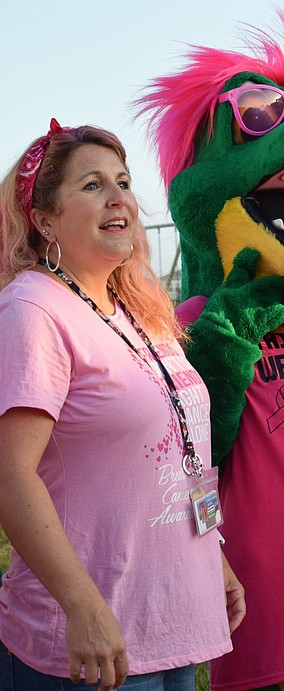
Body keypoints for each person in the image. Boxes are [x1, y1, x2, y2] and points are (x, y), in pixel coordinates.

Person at [0, 120, 245, 691]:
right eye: (91, 185)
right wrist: (81, 606)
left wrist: (215, 555)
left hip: (168, 623)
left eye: (124, 181)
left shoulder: (139, 313)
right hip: (89, 642)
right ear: (43, 219)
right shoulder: (34, 310)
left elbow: (187, 451)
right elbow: (10, 476)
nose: (119, 198)